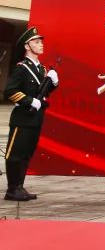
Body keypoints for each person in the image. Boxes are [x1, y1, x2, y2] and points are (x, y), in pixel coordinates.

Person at [3, 27, 58, 202]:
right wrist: (29, 101)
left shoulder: (41, 68)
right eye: (36, 42)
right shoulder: (22, 68)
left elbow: (42, 92)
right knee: (15, 154)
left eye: (41, 41)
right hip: (22, 118)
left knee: (26, 154)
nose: (41, 44)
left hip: (35, 118)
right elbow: (10, 91)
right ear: (27, 46)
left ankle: (19, 187)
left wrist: (53, 83)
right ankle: (12, 189)